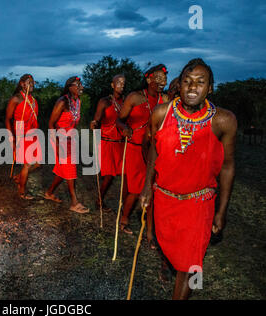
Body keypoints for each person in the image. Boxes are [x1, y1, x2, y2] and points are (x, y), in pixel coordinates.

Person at [140, 58, 237, 299]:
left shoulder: (223, 120)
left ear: (210, 88)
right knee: (170, 252)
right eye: (187, 81)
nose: (192, 87)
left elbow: (227, 167)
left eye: (200, 82)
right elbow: (153, 148)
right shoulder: (161, 113)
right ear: (179, 84)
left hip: (198, 203)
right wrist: (147, 187)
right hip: (165, 200)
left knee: (190, 264)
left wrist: (221, 210)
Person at [118, 64, 168, 239]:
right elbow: (120, 121)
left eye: (164, 78)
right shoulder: (134, 97)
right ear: (149, 79)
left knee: (154, 188)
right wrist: (125, 128)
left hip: (156, 151)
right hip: (135, 149)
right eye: (158, 78)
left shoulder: (166, 100)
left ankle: (150, 228)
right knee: (136, 188)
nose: (162, 81)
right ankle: (124, 220)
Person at [43, 76, 89, 213]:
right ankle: (74, 202)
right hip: (59, 139)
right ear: (70, 87)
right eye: (78, 85)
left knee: (63, 170)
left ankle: (49, 193)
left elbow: (74, 122)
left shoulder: (77, 102)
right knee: (70, 168)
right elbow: (51, 123)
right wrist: (56, 144)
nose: (81, 87)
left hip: (70, 139)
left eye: (81, 84)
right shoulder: (62, 101)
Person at [90, 74, 132, 212]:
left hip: (121, 143)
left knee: (126, 174)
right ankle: (99, 200)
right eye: (118, 83)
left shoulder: (127, 101)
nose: (122, 85)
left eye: (123, 83)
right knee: (109, 176)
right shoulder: (105, 101)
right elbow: (97, 120)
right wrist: (94, 124)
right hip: (107, 143)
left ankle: (125, 204)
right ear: (112, 85)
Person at [5, 74, 41, 199]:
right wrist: (11, 138)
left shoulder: (33, 100)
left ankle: (19, 177)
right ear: (22, 84)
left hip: (33, 134)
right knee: (27, 164)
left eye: (33, 82)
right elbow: (8, 119)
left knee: (37, 164)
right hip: (22, 134)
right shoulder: (16, 99)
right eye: (28, 82)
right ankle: (22, 191)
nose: (31, 84)